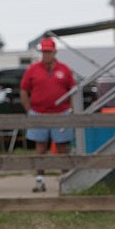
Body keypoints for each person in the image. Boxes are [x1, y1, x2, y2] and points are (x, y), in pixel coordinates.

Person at [19, 36, 76, 192]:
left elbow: (73, 91)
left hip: (61, 113)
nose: (46, 55)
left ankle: (66, 181)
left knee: (62, 147)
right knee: (40, 147)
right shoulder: (33, 69)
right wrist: (28, 109)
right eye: (44, 52)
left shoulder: (64, 69)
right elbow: (23, 89)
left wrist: (71, 109)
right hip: (39, 112)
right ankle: (40, 180)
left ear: (55, 52)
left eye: (49, 52)